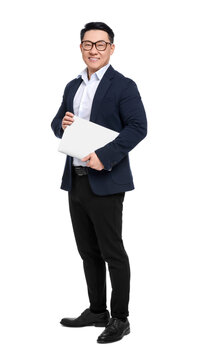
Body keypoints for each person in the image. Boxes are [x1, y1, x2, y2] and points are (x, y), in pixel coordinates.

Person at [51, 22, 147, 344]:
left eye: (101, 44)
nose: (94, 50)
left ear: (111, 48)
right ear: (81, 48)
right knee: (87, 251)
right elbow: (56, 125)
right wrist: (62, 121)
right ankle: (97, 311)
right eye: (88, 44)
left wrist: (104, 156)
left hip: (106, 180)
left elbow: (137, 127)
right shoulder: (72, 85)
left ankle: (120, 318)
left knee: (112, 252)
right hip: (76, 180)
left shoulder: (123, 86)